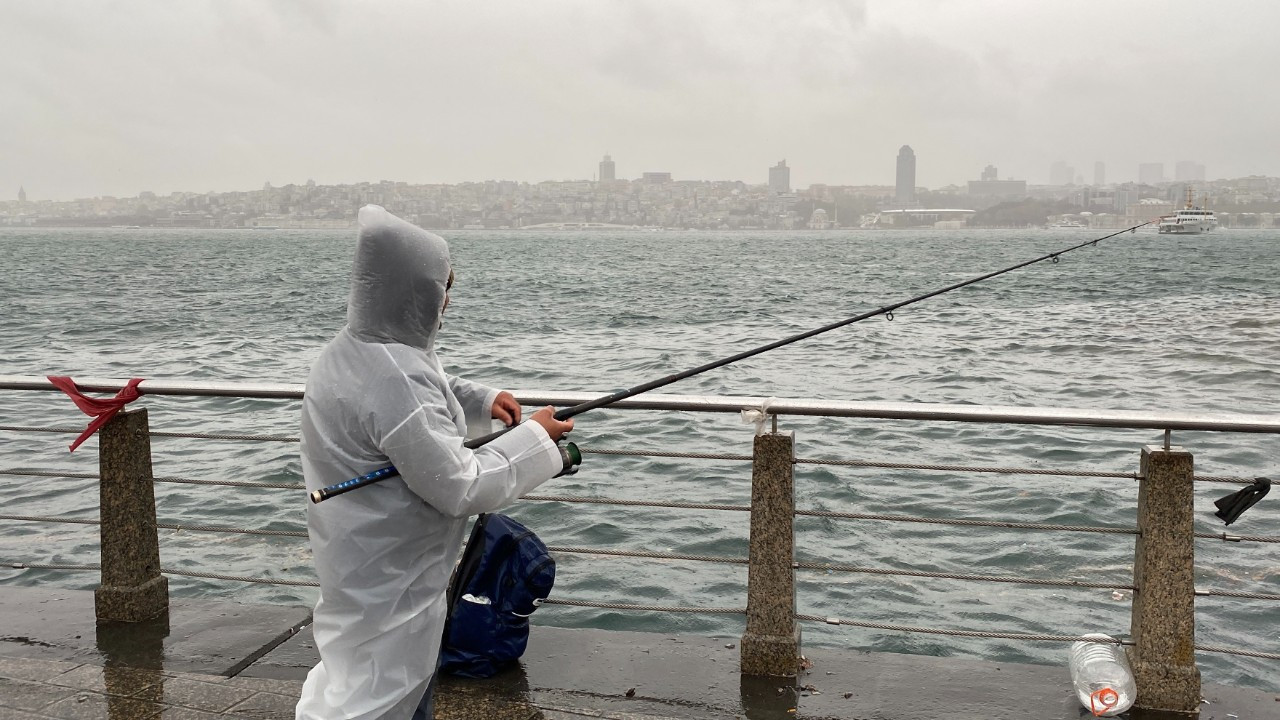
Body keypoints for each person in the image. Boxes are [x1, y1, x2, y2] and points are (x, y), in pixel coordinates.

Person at [296, 205, 575, 720]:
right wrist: (539, 440)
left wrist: (481, 400)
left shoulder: (356, 350)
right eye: (441, 288)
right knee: (382, 685)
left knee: (354, 668)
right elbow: (459, 484)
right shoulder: (393, 376)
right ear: (413, 292)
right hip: (391, 569)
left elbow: (427, 391)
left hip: (358, 551)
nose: (446, 302)